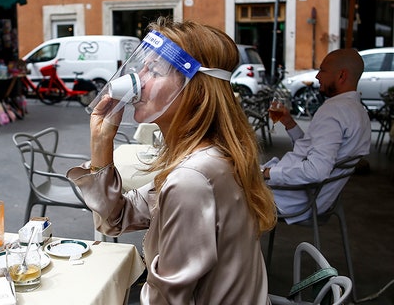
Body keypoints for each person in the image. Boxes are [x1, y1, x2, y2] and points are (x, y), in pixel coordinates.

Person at [67, 18, 276, 304]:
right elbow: (115, 218)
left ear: (196, 89)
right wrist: (102, 142)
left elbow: (166, 300)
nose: (137, 80)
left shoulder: (192, 177)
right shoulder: (210, 156)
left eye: (153, 70)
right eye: (141, 66)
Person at [262, 48, 371, 224]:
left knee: (222, 190)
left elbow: (316, 170)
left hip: (292, 202)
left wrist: (267, 173)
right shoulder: (358, 111)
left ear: (341, 76)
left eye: (323, 70)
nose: (317, 76)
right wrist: (289, 124)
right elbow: (315, 152)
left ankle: (231, 250)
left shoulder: (334, 111)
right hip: (315, 200)